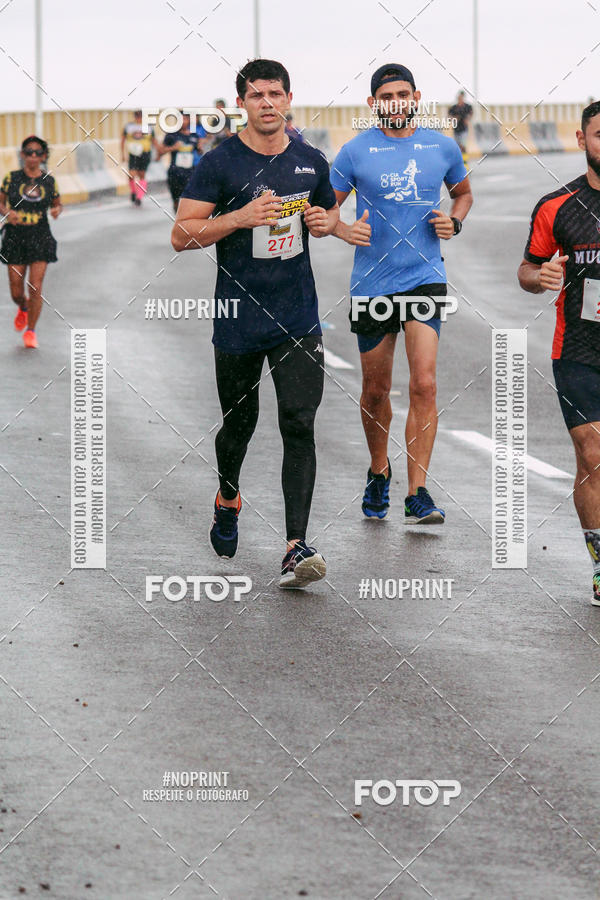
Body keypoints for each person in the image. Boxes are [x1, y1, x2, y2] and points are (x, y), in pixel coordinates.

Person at [171, 58, 339, 588]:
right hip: (239, 317)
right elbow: (181, 235)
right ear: (241, 103)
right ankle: (228, 493)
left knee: (298, 421)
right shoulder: (220, 164)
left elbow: (329, 214)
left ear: (289, 100)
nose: (267, 102)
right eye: (256, 94)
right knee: (239, 427)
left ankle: (295, 547)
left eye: (276, 93)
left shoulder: (311, 162)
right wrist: (240, 218)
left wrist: (325, 222)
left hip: (297, 315)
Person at [330, 63, 472, 523]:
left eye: (403, 94)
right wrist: (342, 229)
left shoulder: (440, 146)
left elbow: (464, 193)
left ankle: (418, 491)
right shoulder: (354, 153)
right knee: (376, 391)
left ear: (416, 97)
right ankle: (378, 472)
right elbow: (323, 211)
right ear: (374, 104)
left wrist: (456, 220)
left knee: (424, 383)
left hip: (424, 275)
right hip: (372, 283)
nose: (396, 102)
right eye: (386, 96)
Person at [518, 99, 600, 606]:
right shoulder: (557, 206)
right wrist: (540, 276)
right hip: (578, 350)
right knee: (593, 455)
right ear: (581, 139)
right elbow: (526, 271)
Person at [0, 135, 62, 349]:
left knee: (35, 286)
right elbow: (0, 202)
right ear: (22, 155)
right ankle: (23, 307)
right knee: (16, 292)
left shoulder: (49, 181)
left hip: (40, 236)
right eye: (28, 152)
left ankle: (31, 331)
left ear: (44, 156)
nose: (33, 157)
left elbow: (57, 204)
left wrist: (56, 210)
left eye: (37, 153)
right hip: (16, 237)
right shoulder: (11, 178)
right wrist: (7, 212)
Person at [157, 113, 200, 212]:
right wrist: (173, 148)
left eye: (185, 119)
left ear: (189, 120)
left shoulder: (194, 136)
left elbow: (198, 150)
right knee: (176, 200)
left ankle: (186, 220)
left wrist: (200, 149)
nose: (183, 121)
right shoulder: (171, 135)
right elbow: (160, 152)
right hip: (175, 172)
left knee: (189, 199)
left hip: (190, 172)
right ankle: (177, 213)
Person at [121, 110, 158, 206]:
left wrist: (158, 152)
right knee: (131, 175)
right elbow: (123, 140)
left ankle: (139, 197)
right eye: (137, 116)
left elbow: (154, 141)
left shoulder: (149, 127)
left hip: (145, 153)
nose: (139, 118)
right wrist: (122, 154)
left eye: (141, 116)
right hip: (133, 154)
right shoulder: (129, 127)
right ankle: (133, 191)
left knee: (142, 175)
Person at [448, 90, 473, 162]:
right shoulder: (454, 107)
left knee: (463, 145)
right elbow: (449, 117)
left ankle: (465, 160)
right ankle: (459, 160)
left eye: (461, 97)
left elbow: (471, 114)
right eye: (459, 98)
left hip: (464, 129)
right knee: (457, 146)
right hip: (456, 129)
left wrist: (468, 119)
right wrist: (454, 118)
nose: (460, 99)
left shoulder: (467, 106)